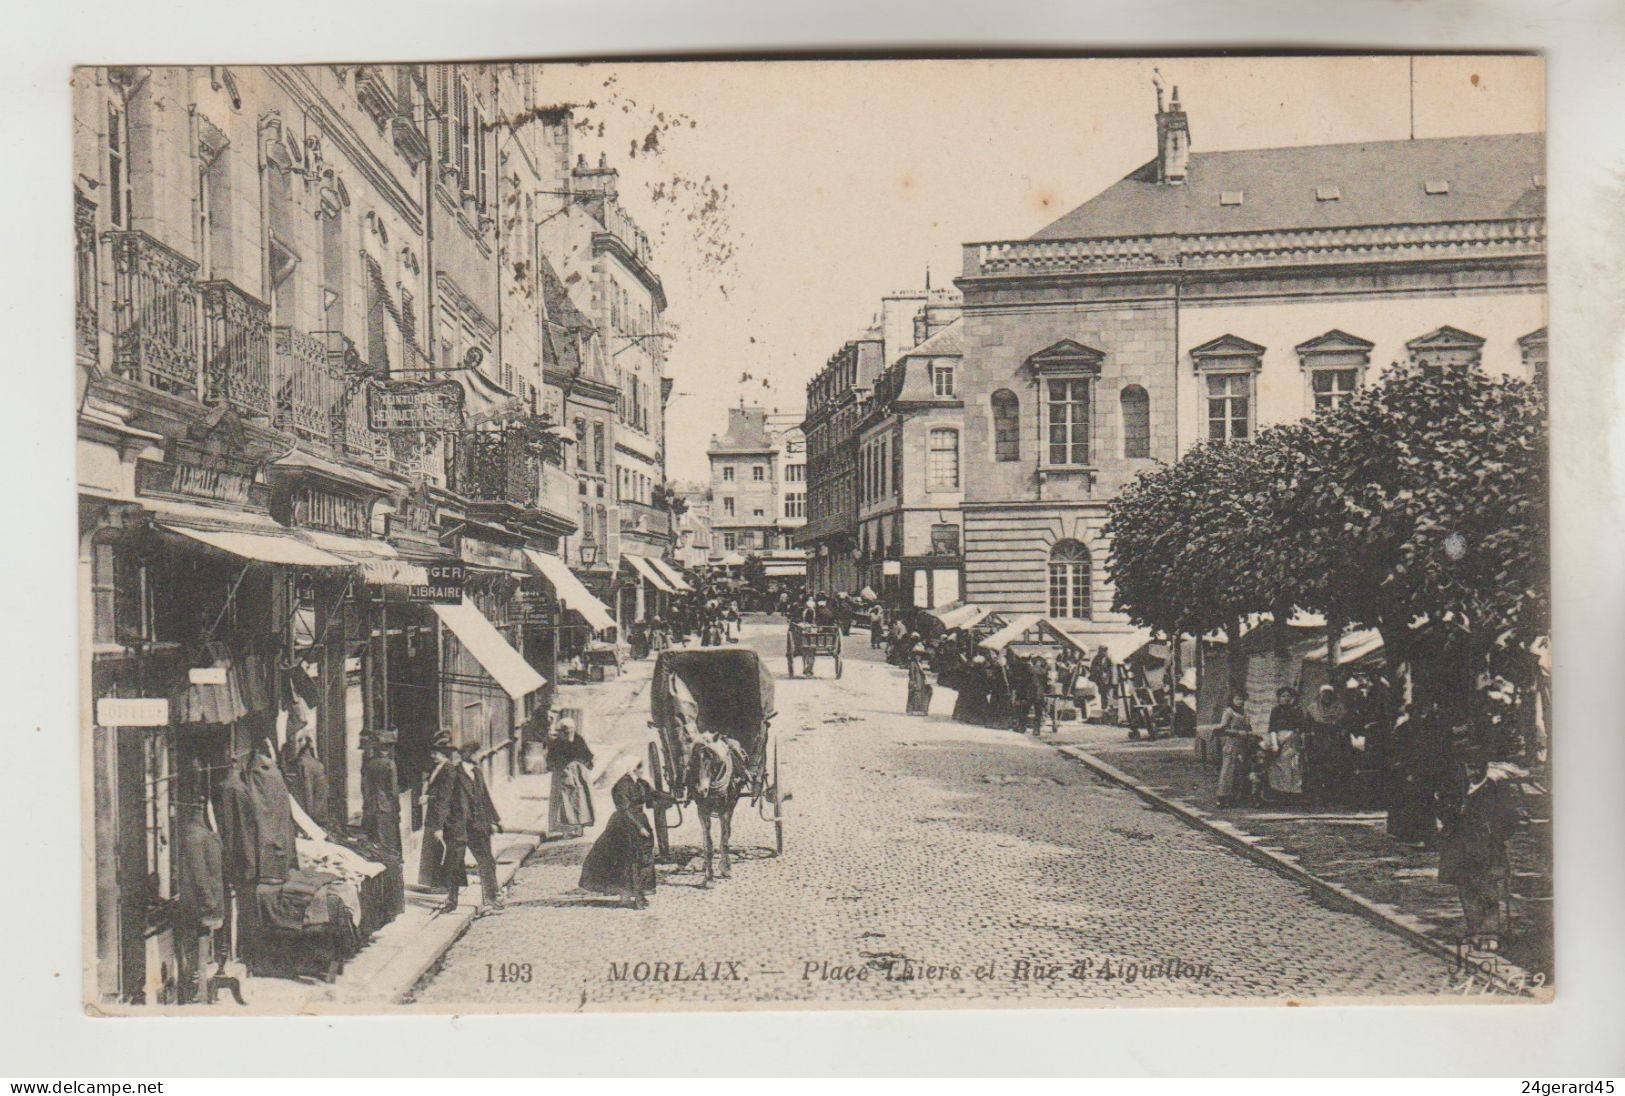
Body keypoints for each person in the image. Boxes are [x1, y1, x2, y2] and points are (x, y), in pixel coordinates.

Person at [1437, 756, 1524, 949]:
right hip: (1461, 847)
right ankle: (1475, 930)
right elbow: (1442, 811)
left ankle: (1490, 933)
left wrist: (1496, 835)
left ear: (1485, 768)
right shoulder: (1456, 789)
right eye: (1469, 767)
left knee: (1488, 890)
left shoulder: (1496, 790)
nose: (1473, 773)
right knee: (1466, 888)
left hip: (1487, 849)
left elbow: (1511, 820)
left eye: (1478, 768)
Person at [424, 732, 504, 916]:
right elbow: (443, 800)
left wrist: (495, 820)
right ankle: (451, 901)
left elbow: (485, 798)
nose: (479, 756)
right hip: (457, 826)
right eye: (477, 753)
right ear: (470, 755)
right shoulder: (453, 772)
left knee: (487, 861)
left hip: (478, 826)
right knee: (454, 864)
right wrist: (437, 827)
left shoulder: (477, 772)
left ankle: (492, 900)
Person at [579, 761, 661, 909]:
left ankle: (634, 894)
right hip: (624, 825)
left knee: (642, 858)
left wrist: (669, 798)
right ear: (633, 769)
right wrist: (639, 827)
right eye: (640, 769)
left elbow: (652, 796)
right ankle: (631, 896)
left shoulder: (641, 783)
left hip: (640, 820)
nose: (643, 772)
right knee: (627, 860)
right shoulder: (622, 785)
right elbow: (624, 810)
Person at [545, 717, 596, 839]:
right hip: (561, 775)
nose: (569, 733)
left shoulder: (578, 740)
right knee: (562, 802)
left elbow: (587, 756)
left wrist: (583, 765)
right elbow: (550, 760)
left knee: (579, 800)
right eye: (566, 731)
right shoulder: (556, 743)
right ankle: (565, 829)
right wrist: (557, 766)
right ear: (561, 732)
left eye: (571, 730)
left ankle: (579, 827)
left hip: (578, 775)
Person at [1304, 684, 1352, 805]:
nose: (1326, 696)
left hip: (1334, 740)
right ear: (1320, 694)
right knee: (1317, 769)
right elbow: (1307, 727)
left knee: (1333, 768)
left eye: (1329, 693)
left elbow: (1344, 724)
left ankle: (1333, 797)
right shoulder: (1313, 708)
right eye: (1324, 693)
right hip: (1318, 741)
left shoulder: (1339, 708)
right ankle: (1317, 797)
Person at [1207, 692, 1257, 808]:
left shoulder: (1245, 713)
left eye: (1242, 699)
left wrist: (1250, 733)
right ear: (1232, 700)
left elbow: (1249, 728)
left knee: (1240, 772)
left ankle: (1237, 798)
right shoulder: (1229, 712)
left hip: (1243, 745)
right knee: (1228, 771)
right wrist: (1237, 733)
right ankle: (1222, 798)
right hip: (1232, 745)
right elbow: (1222, 730)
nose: (1240, 701)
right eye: (1237, 699)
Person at [1263, 686, 1307, 801]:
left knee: (1294, 765)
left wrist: (1302, 743)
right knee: (1278, 766)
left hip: (1293, 741)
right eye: (1283, 696)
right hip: (1278, 739)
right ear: (1279, 698)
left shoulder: (1297, 710)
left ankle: (1293, 794)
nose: (1286, 698)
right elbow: (1272, 728)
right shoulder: (1276, 710)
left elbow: (1301, 728)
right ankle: (1280, 793)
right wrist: (1274, 744)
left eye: (1288, 696)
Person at [1089, 646, 1117, 723]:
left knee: (1107, 693)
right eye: (1101, 651)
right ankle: (1104, 708)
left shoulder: (1108, 658)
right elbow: (1092, 667)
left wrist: (1107, 674)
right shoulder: (1096, 658)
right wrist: (1097, 671)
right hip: (1099, 679)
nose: (1102, 653)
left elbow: (1111, 669)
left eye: (1103, 651)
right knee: (1102, 693)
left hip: (1107, 680)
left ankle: (1108, 708)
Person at [906, 640, 932, 716]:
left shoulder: (919, 663)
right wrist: (913, 682)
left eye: (920, 655)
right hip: (916, 681)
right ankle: (911, 710)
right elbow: (912, 674)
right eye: (917, 655)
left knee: (919, 696)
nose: (919, 657)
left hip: (920, 681)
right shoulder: (913, 663)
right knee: (914, 695)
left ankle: (918, 710)